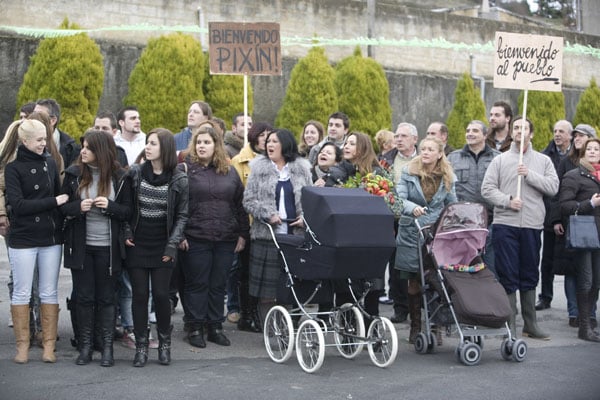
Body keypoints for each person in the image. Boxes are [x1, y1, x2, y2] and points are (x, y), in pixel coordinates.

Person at [481, 116, 559, 340]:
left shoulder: (543, 161)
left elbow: (553, 187)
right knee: (507, 273)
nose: (519, 131)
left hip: (532, 224)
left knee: (529, 272)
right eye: (516, 128)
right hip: (506, 223)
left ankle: (530, 323)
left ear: (531, 133)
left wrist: (529, 175)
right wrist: (507, 200)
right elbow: (487, 189)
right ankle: (510, 325)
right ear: (511, 132)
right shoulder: (500, 160)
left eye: (524, 128)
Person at [60, 130, 131, 366]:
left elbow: (129, 211)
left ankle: (107, 347)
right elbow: (62, 208)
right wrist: (78, 206)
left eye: (88, 147)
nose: (83, 151)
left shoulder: (120, 177)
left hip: (109, 248)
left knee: (107, 298)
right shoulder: (73, 174)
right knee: (84, 297)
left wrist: (110, 206)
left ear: (101, 150)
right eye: (83, 146)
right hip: (81, 247)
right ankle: (86, 346)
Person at [5, 119, 69, 363]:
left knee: (48, 291)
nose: (45, 143)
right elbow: (18, 206)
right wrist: (54, 202)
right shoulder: (13, 169)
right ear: (25, 141)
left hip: (50, 238)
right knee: (22, 292)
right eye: (40, 140)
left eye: (46, 138)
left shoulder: (50, 163)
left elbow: (60, 195)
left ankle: (48, 345)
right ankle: (22, 346)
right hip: (23, 237)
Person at [178, 126, 249, 348]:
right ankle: (195, 326)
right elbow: (178, 205)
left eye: (206, 142)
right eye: (198, 142)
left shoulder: (229, 172)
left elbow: (239, 205)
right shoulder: (186, 170)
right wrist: (179, 234)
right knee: (197, 283)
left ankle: (215, 327)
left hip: (226, 237)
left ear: (216, 145)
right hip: (196, 235)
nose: (201, 146)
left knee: (218, 284)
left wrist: (242, 234)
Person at [123, 128, 188, 367]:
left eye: (152, 143)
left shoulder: (179, 178)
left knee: (161, 296)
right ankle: (141, 346)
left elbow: (182, 215)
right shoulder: (136, 173)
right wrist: (127, 232)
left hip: (164, 244)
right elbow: (127, 209)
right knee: (140, 296)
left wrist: (172, 245)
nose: (147, 147)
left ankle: (165, 345)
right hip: (138, 244)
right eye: (147, 143)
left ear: (165, 149)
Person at [243, 129, 312, 320]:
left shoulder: (301, 168)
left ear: (286, 144)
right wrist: (267, 215)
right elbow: (248, 201)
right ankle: (270, 327)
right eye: (268, 142)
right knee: (268, 290)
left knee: (292, 284)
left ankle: (291, 326)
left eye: (275, 141)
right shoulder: (258, 168)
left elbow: (311, 200)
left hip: (294, 236)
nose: (269, 145)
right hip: (267, 237)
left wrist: (304, 218)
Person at [395, 136, 457, 343]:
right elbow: (399, 198)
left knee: (435, 279)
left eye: (431, 149)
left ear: (440, 153)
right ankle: (415, 326)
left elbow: (452, 203)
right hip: (413, 230)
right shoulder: (408, 171)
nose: (426, 152)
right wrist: (413, 208)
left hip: (436, 232)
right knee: (413, 280)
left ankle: (436, 326)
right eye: (423, 148)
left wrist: (453, 220)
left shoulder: (448, 176)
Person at [553, 124, 598, 327]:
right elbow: (564, 205)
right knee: (584, 279)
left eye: (597, 149)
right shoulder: (574, 175)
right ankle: (582, 321)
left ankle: (589, 316)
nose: (593, 152)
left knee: (597, 280)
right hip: (585, 234)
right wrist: (590, 204)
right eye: (590, 149)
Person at [230, 122, 272, 333]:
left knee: (262, 274)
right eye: (262, 136)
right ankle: (246, 314)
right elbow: (235, 198)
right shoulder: (239, 161)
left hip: (268, 228)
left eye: (269, 136)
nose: (266, 140)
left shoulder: (275, 161)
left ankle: (258, 313)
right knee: (245, 273)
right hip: (246, 224)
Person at [447, 120, 500, 275]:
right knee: (463, 266)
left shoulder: (498, 158)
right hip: (463, 221)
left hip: (490, 220)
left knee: (490, 266)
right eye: (468, 130)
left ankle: (490, 298)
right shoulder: (453, 157)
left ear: (485, 135)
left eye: (475, 131)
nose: (470, 133)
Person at [379, 122, 419, 324]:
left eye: (404, 136)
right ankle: (400, 308)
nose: (399, 139)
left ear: (415, 139)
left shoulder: (423, 158)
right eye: (397, 136)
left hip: (416, 218)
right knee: (395, 266)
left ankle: (417, 308)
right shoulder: (386, 160)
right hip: (391, 219)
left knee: (414, 265)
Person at [536, 120, 573, 311]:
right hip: (551, 213)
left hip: (572, 215)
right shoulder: (545, 156)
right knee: (548, 259)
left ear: (570, 135)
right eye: (555, 130)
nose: (557, 134)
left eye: (561, 131)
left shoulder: (577, 156)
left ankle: (574, 303)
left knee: (573, 259)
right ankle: (545, 297)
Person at [34, 98, 80, 168]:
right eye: (33, 114)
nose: (34, 118)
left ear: (53, 120)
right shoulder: (26, 140)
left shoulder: (70, 148)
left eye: (39, 115)